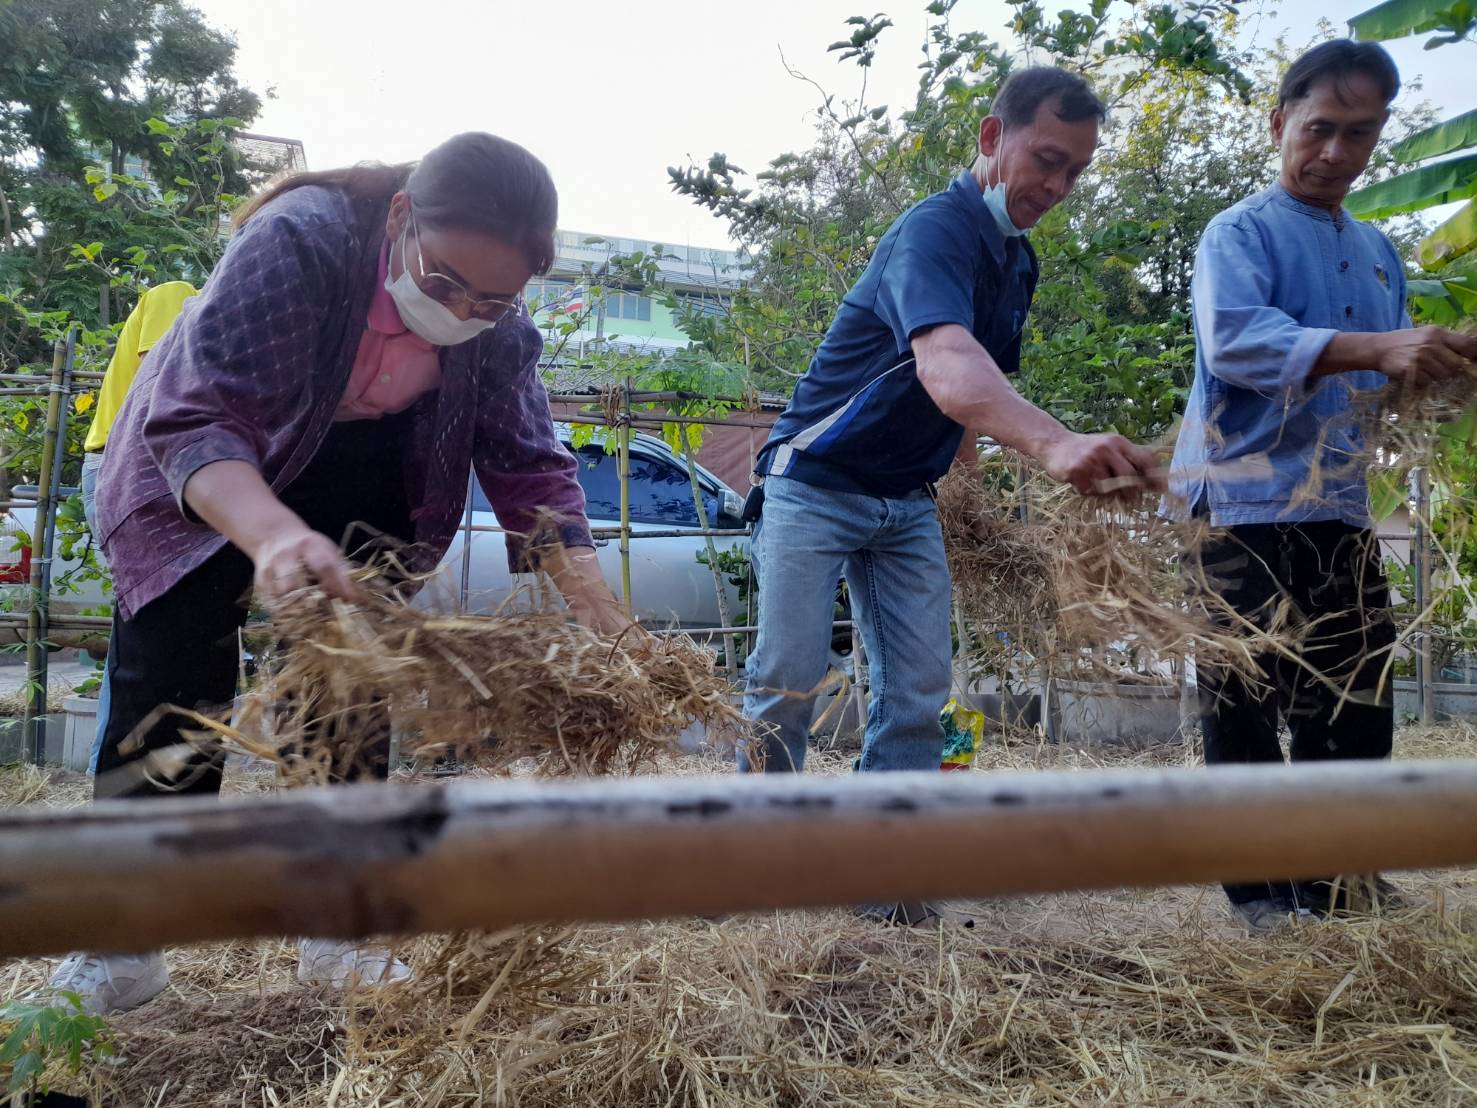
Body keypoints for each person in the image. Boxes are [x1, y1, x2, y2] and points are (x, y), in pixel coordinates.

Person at [48, 132, 634, 1013]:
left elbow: (529, 464)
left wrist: (598, 604)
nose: (462, 309)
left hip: (369, 475)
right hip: (213, 467)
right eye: (441, 283)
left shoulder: (498, 329)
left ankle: (337, 925)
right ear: (400, 218)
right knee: (172, 683)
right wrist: (275, 539)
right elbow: (198, 416)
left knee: (352, 690)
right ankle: (125, 941)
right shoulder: (303, 239)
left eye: (489, 300)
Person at [741, 68, 1161, 926]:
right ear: (988, 137)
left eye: (1075, 171)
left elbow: (967, 400)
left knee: (918, 693)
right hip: (813, 486)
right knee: (786, 675)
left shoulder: (1016, 260)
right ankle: (750, 860)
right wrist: (1055, 443)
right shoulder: (933, 230)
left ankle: (882, 872)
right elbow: (948, 367)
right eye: (1045, 158)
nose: (1056, 185)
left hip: (905, 502)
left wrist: (960, 500)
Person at [1165, 40, 1477, 933]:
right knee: (1246, 694)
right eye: (1319, 129)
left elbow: (1392, 369)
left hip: (1336, 503)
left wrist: (1443, 362)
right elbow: (1235, 342)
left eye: (1360, 134)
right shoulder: (1239, 233)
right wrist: (1381, 348)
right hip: (1235, 503)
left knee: (1355, 692)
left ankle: (1341, 875)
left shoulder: (1377, 251)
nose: (1337, 152)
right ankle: (1262, 894)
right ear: (1279, 126)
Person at [78, 280, 199, 774]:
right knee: (148, 629)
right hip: (133, 467)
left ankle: (105, 777)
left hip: (137, 466)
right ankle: (115, 781)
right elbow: (167, 389)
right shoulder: (181, 294)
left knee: (138, 629)